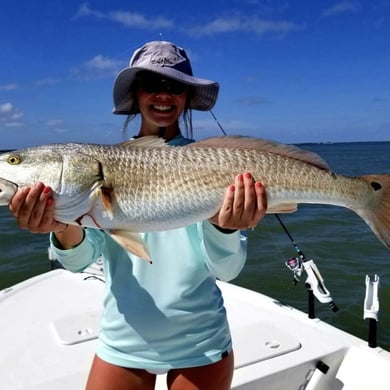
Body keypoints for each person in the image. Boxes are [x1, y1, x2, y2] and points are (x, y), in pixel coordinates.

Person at [9, 41, 267, 390]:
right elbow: (80, 262)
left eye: (175, 86)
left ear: (187, 96)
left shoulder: (213, 161)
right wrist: (61, 227)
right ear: (136, 93)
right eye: (152, 84)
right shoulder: (89, 184)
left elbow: (227, 270)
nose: (164, 95)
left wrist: (224, 228)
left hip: (201, 342)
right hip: (123, 341)